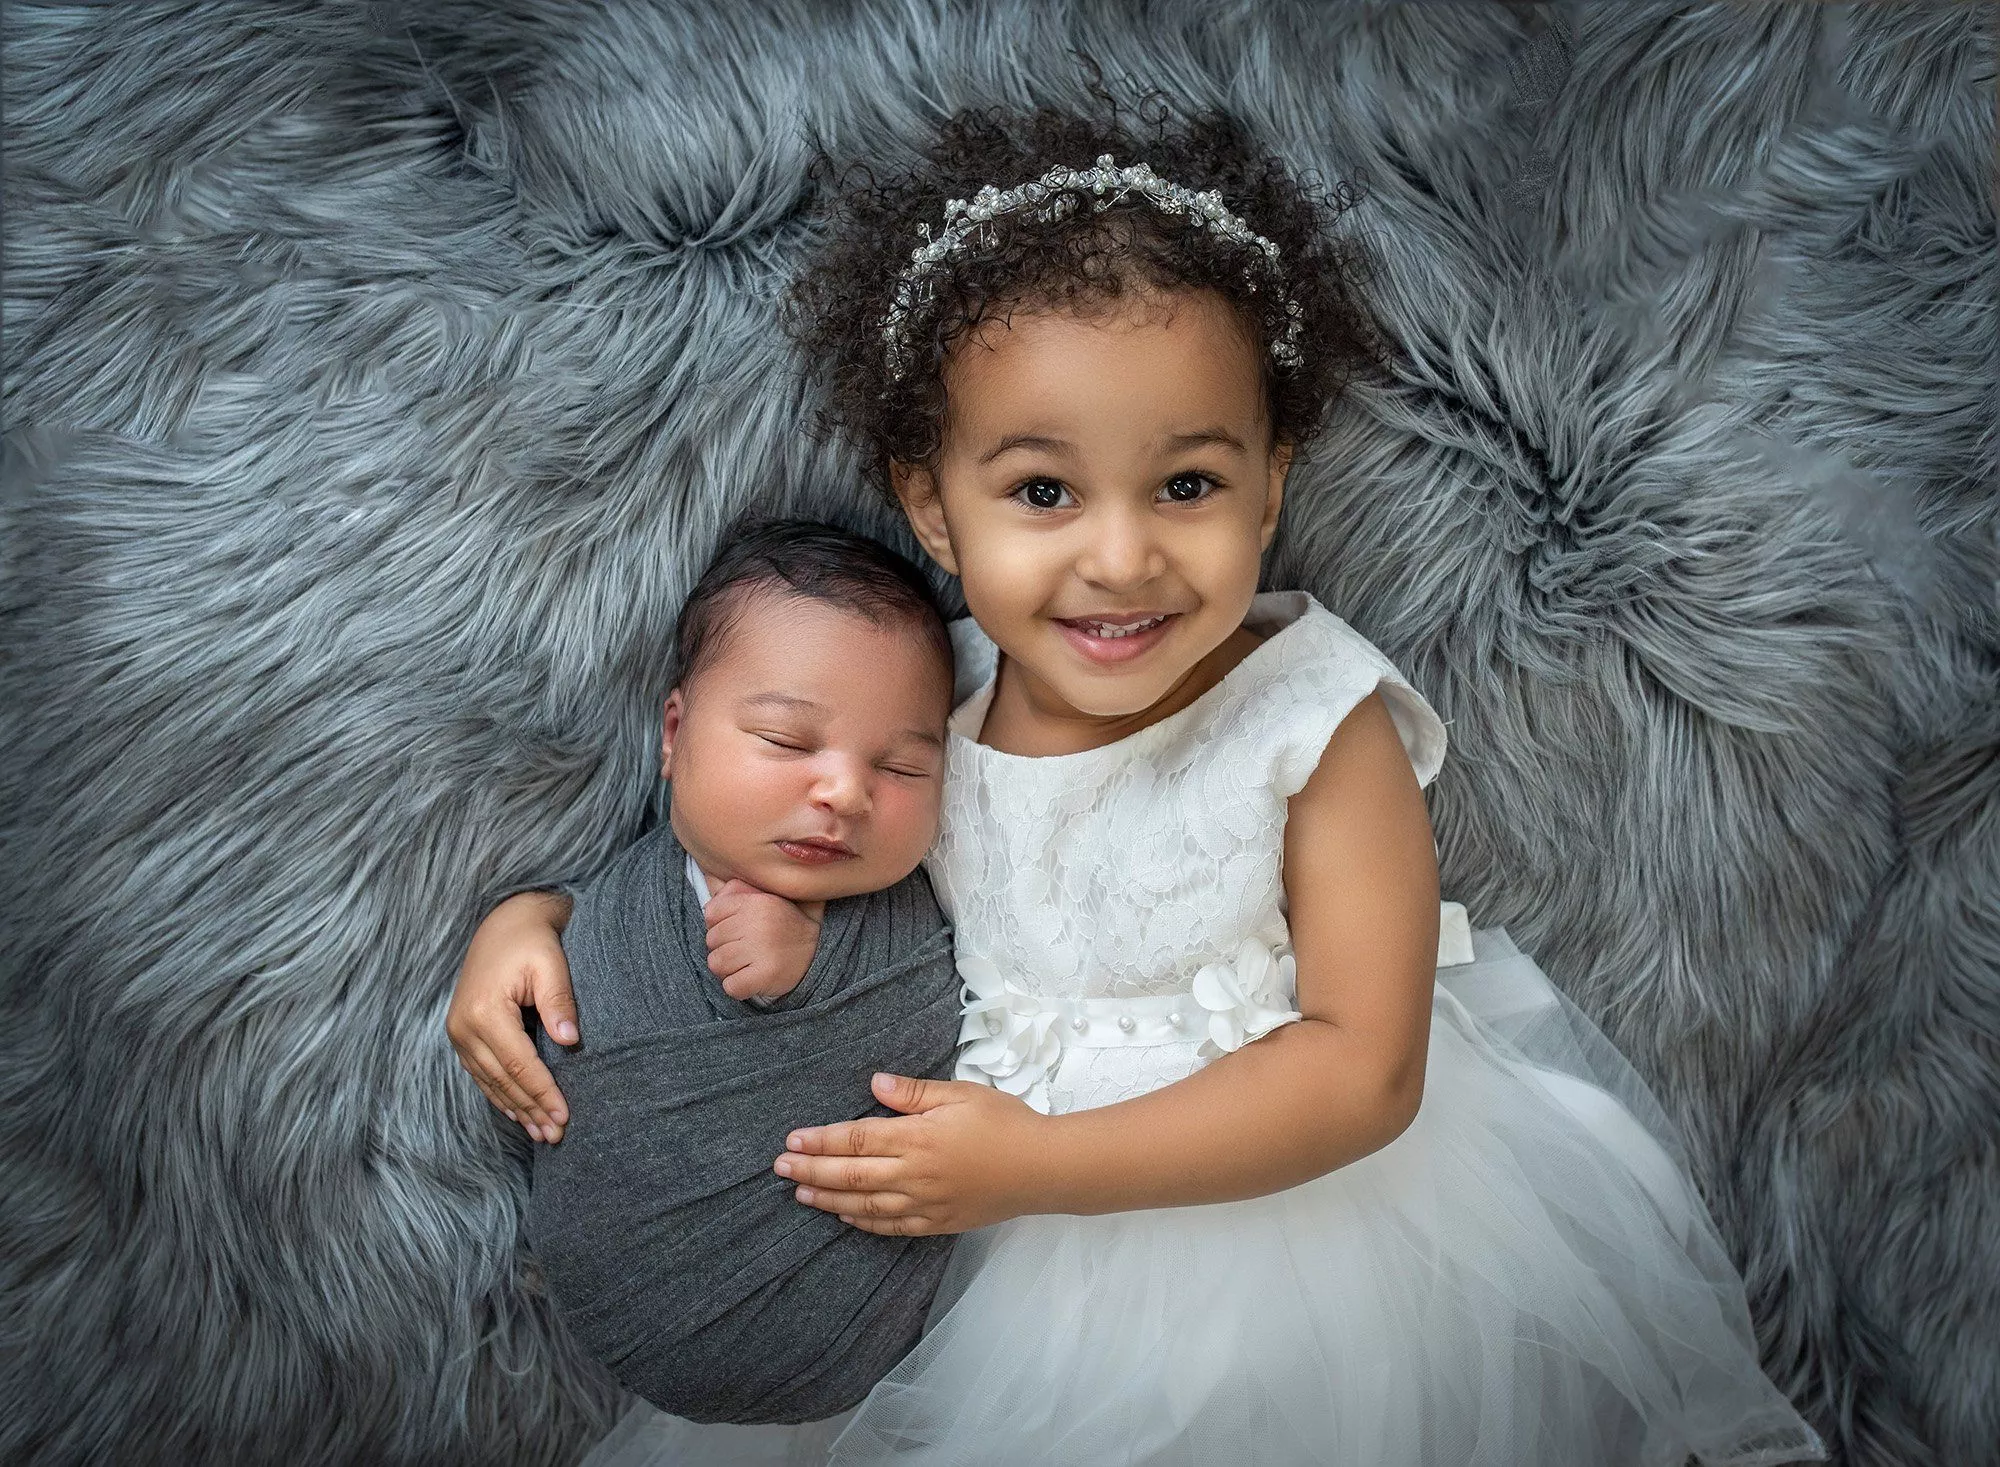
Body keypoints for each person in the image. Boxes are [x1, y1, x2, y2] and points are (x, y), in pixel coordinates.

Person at [450, 99, 1828, 1465]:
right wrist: (537, 919)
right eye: (1043, 493)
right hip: (952, 1254)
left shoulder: (1311, 716)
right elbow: (775, 848)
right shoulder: (926, 696)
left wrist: (1034, 1165)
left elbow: (1367, 1066)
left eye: (1186, 485)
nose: (1119, 557)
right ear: (932, 504)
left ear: (1272, 484)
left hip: (1265, 1239)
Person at [514, 519, 964, 1427]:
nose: (844, 791)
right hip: (617, 1301)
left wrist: (820, 966)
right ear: (674, 732)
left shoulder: (926, 909)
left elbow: (958, 1024)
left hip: (866, 1327)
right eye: (787, 742)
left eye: (902, 764)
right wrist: (522, 915)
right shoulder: (616, 899)